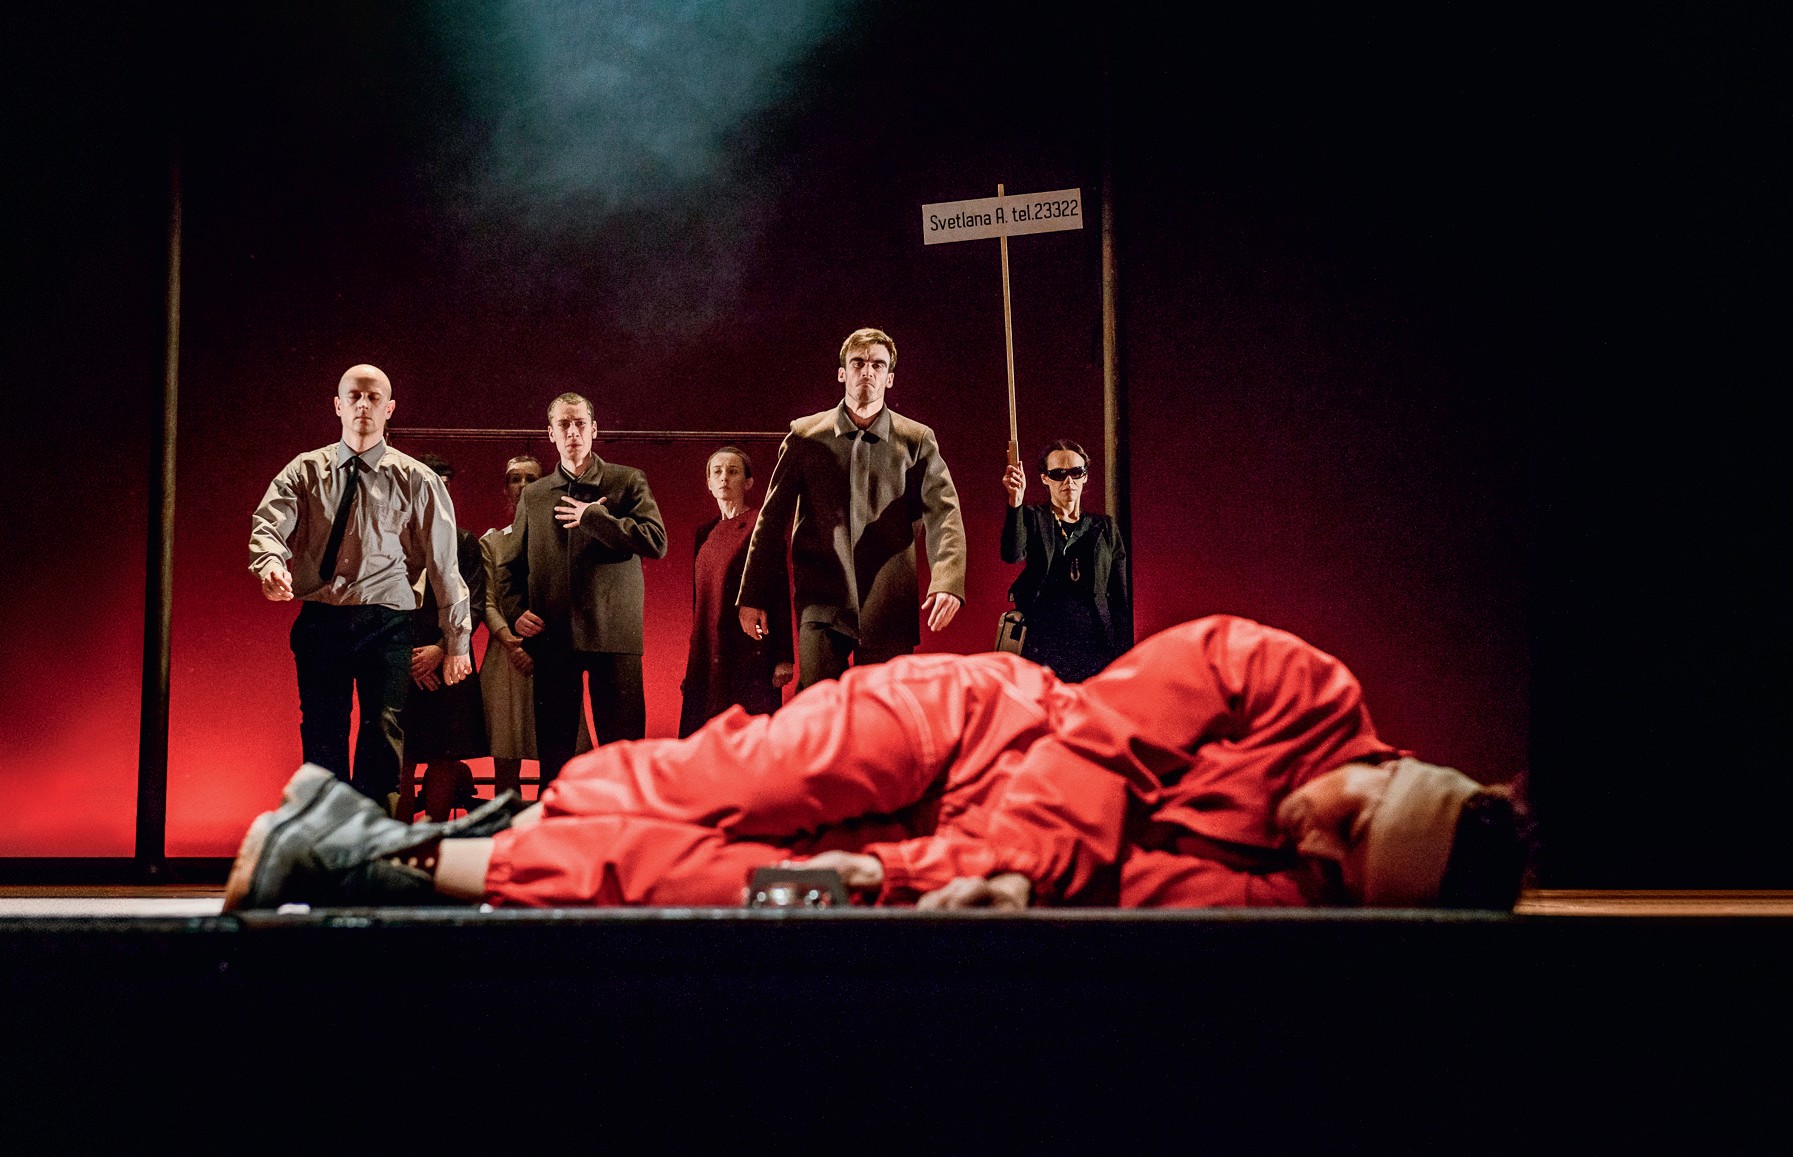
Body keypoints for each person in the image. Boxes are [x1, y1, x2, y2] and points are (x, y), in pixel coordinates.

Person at [222, 615, 1526, 913]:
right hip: (973, 723)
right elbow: (1099, 740)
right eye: (1352, 819)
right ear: (1397, 765)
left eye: (1344, 874)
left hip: (967, 853)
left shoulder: (1297, 899)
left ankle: (373, 851)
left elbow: (1114, 896)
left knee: (745, 889)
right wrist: (1011, 872)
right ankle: (396, 832)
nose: (1314, 839)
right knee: (741, 783)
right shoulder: (1303, 687)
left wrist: (920, 886)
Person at [248, 364, 471, 812]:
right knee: (321, 730)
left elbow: (445, 563)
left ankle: (372, 834)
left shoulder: (416, 479)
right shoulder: (306, 470)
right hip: (323, 619)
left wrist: (457, 640)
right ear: (337, 405)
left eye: (373, 397)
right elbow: (269, 524)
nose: (363, 405)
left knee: (383, 730)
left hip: (386, 622)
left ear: (390, 408)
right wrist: (270, 564)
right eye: (354, 396)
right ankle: (328, 833)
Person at [737, 327, 967, 689]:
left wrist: (947, 580)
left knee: (885, 709)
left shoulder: (915, 440)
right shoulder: (806, 436)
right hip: (822, 598)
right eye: (858, 363)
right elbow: (771, 518)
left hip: (888, 600)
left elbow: (944, 512)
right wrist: (753, 595)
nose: (867, 372)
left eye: (878, 365)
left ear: (889, 378)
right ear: (842, 373)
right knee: (818, 703)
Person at [492, 393, 667, 787]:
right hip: (554, 639)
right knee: (554, 757)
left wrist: (595, 517)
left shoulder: (626, 480)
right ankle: (557, 822)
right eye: (564, 425)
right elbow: (509, 567)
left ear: (594, 429)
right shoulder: (535, 494)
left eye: (580, 424)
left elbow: (656, 542)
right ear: (551, 434)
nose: (573, 432)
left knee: (622, 755)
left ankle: (625, 821)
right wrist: (516, 611)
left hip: (614, 636)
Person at [477, 454, 591, 801]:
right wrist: (512, 642)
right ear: (506, 488)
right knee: (505, 755)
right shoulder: (492, 542)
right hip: (506, 658)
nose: (523, 486)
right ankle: (506, 828)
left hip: (553, 655)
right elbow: (488, 600)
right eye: (516, 479)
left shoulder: (566, 537)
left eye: (531, 479)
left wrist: (538, 648)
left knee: (560, 755)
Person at [397, 453, 490, 822]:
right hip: (401, 661)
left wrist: (441, 649)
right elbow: (381, 603)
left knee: (445, 755)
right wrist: (407, 657)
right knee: (399, 757)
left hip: (451, 659)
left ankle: (434, 844)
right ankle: (398, 845)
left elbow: (475, 603)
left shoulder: (465, 542)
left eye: (444, 488)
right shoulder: (392, 541)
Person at [680, 446, 794, 737]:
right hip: (709, 651)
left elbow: (779, 590)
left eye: (733, 471)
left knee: (747, 736)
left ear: (748, 482)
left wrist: (783, 657)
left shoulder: (760, 525)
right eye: (717, 472)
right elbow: (699, 604)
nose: (724, 478)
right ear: (709, 483)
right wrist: (694, 665)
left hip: (749, 649)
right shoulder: (705, 533)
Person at [1000, 438, 1132, 682]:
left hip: (1095, 645)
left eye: (1076, 472)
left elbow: (1120, 597)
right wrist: (1015, 502)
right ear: (1044, 478)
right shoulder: (1033, 518)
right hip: (1043, 643)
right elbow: (1012, 554)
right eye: (1058, 474)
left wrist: (1125, 657)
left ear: (1085, 476)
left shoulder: (1105, 527)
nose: (1068, 481)